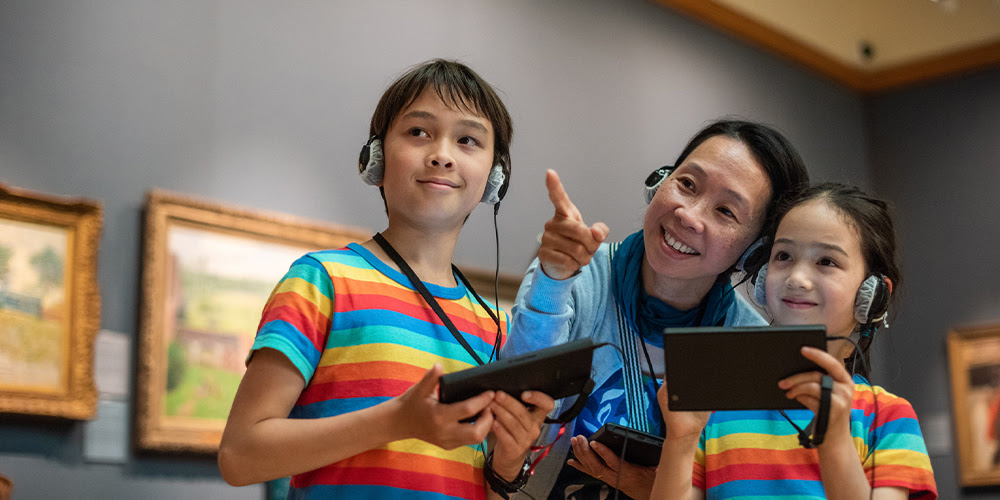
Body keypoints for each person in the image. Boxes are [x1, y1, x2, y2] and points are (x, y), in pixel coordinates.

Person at [218, 59, 554, 500]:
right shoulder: (321, 281)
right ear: (375, 158)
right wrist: (396, 421)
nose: (442, 154)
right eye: (419, 132)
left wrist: (509, 461)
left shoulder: (496, 328)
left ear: (495, 177)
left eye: (468, 139)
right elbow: (240, 456)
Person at [503, 119, 810, 499]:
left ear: (754, 252)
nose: (687, 214)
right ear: (659, 181)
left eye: (726, 211)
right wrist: (552, 283)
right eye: (687, 184)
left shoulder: (748, 344)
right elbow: (512, 413)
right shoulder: (576, 276)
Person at [651, 183, 938, 499]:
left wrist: (835, 443)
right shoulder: (713, 411)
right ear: (762, 279)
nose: (796, 279)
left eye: (826, 261)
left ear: (873, 294)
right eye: (783, 256)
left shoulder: (888, 417)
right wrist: (680, 441)